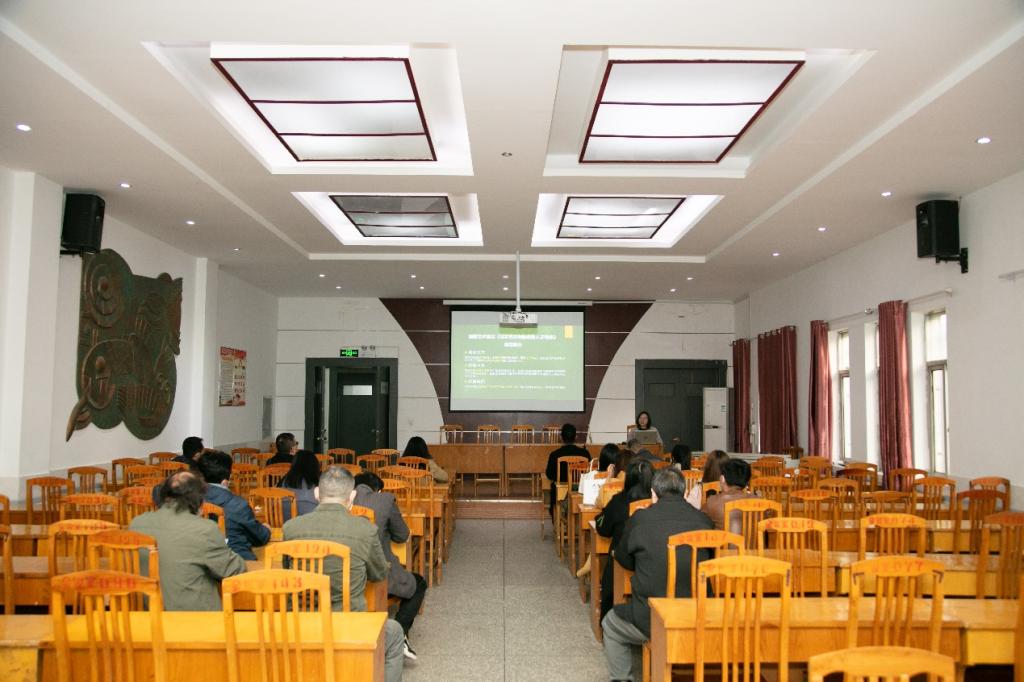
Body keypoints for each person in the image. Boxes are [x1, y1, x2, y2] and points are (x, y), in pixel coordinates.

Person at [283, 466, 407, 680]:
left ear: (316, 493)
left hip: (300, 623)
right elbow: (379, 574)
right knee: (394, 633)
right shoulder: (365, 530)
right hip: (347, 623)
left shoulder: (291, 528)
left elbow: (288, 572)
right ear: (352, 496)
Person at [602, 468, 714, 681]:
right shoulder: (703, 520)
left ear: (653, 494)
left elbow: (623, 559)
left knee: (610, 624)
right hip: (700, 615)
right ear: (684, 492)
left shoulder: (640, 519)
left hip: (651, 618)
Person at [129, 471, 246, 610]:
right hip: (195, 617)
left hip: (147, 614)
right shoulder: (204, 529)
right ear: (200, 500)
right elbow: (234, 570)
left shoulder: (136, 524)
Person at [353, 472, 427, 652]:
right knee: (418, 584)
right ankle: (399, 633)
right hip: (378, 574)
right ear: (377, 490)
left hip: (349, 576)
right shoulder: (385, 500)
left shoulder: (342, 502)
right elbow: (402, 535)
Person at [594, 459, 654, 619]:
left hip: (623, 562)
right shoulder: (658, 504)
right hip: (652, 565)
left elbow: (603, 529)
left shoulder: (618, 502)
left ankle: (608, 618)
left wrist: (599, 517)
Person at [196, 450, 271, 561]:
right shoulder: (238, 505)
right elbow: (260, 538)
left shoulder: (187, 500)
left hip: (200, 559)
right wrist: (266, 529)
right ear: (226, 480)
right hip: (236, 560)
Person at [544, 424, 589, 518]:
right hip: (580, 489)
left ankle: (558, 518)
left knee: (553, 487)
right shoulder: (585, 454)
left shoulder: (554, 454)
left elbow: (549, 474)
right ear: (576, 437)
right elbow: (588, 473)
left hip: (560, 489)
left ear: (561, 437)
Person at [703, 458, 759, 533]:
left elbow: (699, 524)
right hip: (752, 541)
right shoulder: (760, 502)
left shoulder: (712, 502)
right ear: (747, 481)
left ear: (722, 478)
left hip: (723, 540)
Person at [279, 449, 320, 518]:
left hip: (284, 520)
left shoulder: (285, 480)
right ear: (314, 466)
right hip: (309, 521)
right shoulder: (314, 483)